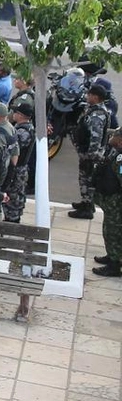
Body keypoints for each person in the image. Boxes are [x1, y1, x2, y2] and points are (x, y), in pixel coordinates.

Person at [70, 84, 111, 219]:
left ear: (96, 97)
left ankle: (87, 209)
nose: (87, 96)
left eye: (90, 94)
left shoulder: (97, 115)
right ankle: (86, 202)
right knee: (84, 179)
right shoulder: (93, 110)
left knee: (87, 180)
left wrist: (91, 156)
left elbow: (96, 137)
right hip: (87, 153)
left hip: (90, 155)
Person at [91, 129, 122, 277]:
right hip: (110, 203)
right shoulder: (115, 151)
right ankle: (112, 256)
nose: (111, 136)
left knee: (114, 233)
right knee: (108, 231)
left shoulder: (121, 158)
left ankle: (115, 265)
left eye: (115, 135)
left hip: (116, 204)